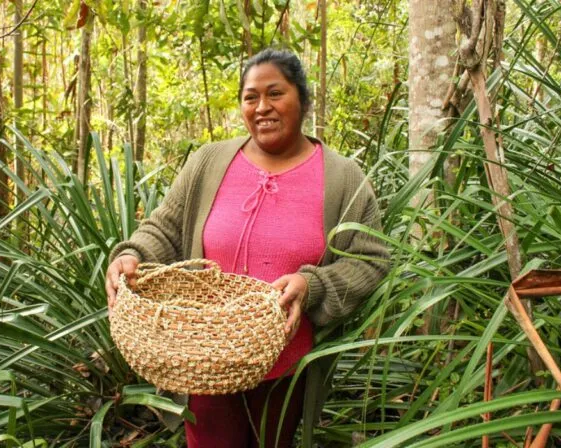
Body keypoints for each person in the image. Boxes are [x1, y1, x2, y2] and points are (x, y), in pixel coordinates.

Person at [105, 48, 389, 448]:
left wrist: (313, 285)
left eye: (275, 94)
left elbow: (371, 260)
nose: (262, 107)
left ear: (303, 100)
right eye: (250, 97)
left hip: (285, 359)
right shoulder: (209, 161)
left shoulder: (342, 177)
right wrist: (131, 256)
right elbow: (165, 228)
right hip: (203, 354)